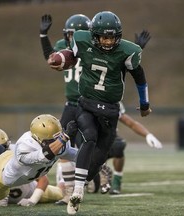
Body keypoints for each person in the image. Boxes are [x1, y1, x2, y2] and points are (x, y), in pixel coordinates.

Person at [48, 11, 152, 215]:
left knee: (101, 153)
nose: (107, 41)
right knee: (89, 137)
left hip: (110, 109)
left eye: (112, 37)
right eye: (104, 36)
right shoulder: (81, 40)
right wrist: (61, 59)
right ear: (94, 35)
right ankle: (76, 189)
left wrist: (145, 103)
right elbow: (71, 54)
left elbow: (139, 76)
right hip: (86, 103)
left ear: (118, 36)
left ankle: (84, 183)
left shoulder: (127, 51)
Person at [40, 13, 91, 205]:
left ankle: (94, 173)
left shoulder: (92, 48)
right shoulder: (64, 48)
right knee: (62, 148)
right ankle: (70, 193)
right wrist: (43, 36)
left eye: (75, 34)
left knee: (87, 147)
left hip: (89, 104)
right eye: (69, 34)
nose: (71, 38)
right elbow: (51, 58)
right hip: (71, 105)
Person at [0, 127, 64, 206]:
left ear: (8, 145)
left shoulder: (18, 151)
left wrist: (32, 200)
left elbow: (43, 180)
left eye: (2, 147)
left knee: (61, 193)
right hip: (8, 195)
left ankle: (62, 177)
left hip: (31, 191)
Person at [87, 101, 162, 195]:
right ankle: (94, 172)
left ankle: (116, 180)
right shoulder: (87, 100)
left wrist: (148, 135)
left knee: (119, 145)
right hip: (91, 142)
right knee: (93, 187)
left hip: (107, 139)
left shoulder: (114, 102)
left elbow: (131, 123)